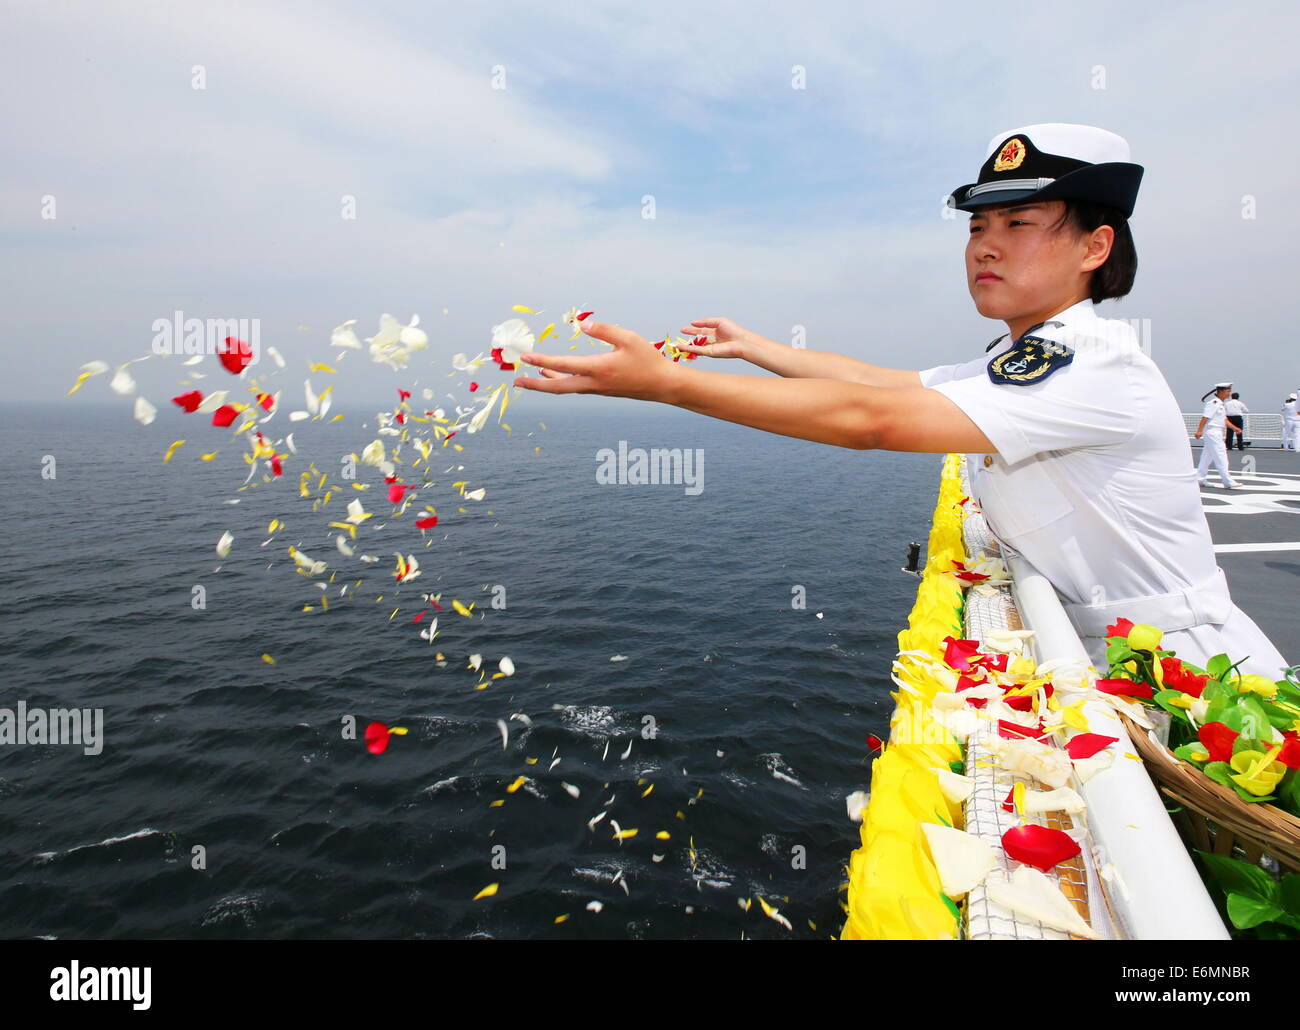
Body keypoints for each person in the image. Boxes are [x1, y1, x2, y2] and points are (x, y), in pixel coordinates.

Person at [514, 122, 1290, 679]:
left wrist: (670, 385)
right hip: (1108, 658)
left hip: (1196, 681)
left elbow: (876, 422)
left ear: (1096, 247)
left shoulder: (1092, 365)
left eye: (1018, 222)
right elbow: (885, 384)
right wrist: (753, 347)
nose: (984, 244)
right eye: (978, 225)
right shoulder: (1022, 356)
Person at [1194, 382, 1240, 488]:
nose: (1229, 393)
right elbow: (1205, 417)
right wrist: (1199, 431)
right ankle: (1227, 481)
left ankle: (1199, 478)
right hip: (1213, 432)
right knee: (1221, 455)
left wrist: (1234, 428)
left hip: (1216, 432)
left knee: (1207, 456)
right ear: (1221, 392)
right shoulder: (1214, 403)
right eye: (1228, 391)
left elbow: (1224, 419)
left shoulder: (1220, 404)